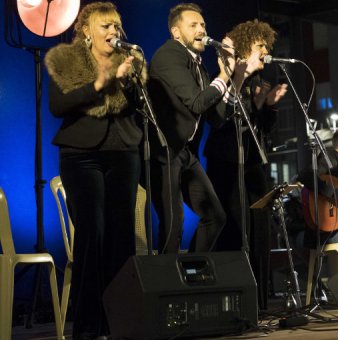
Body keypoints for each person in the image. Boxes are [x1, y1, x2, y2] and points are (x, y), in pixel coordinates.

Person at [45, 2, 146, 338]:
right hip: (81, 155)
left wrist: (132, 83)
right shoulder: (65, 59)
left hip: (123, 152)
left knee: (122, 238)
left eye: (116, 26)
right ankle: (88, 327)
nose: (113, 32)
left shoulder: (128, 60)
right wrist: (100, 84)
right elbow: (59, 106)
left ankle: (122, 323)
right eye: (105, 26)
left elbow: (137, 110)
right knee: (93, 234)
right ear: (85, 29)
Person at [147, 3, 260, 253]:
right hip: (164, 151)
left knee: (215, 216)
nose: (202, 30)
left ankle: (192, 271)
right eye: (194, 25)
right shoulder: (170, 55)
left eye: (203, 25)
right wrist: (223, 76)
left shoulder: (198, 65)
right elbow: (197, 103)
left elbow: (217, 117)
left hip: (185, 153)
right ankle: (169, 283)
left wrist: (237, 78)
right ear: (176, 33)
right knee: (173, 224)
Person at [203, 19, 287, 309]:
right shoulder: (226, 75)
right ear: (245, 47)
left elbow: (263, 128)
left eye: (266, 45)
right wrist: (244, 84)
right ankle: (235, 301)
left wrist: (269, 105)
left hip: (253, 161)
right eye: (260, 45)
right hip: (227, 161)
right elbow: (220, 119)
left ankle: (260, 300)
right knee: (237, 228)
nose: (265, 50)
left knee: (260, 227)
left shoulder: (259, 83)